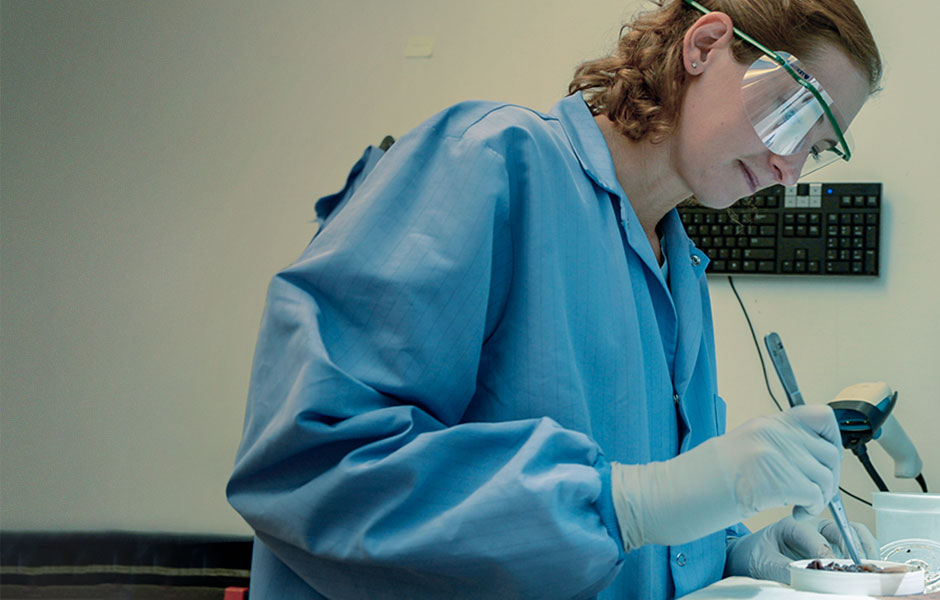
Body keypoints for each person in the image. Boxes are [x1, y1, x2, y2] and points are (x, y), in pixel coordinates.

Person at [226, 0, 883, 598]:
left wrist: (734, 552)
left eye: (817, 149)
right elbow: (310, 468)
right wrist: (627, 504)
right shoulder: (488, 163)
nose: (788, 170)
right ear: (705, 46)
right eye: (793, 115)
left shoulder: (678, 269)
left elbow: (645, 529)